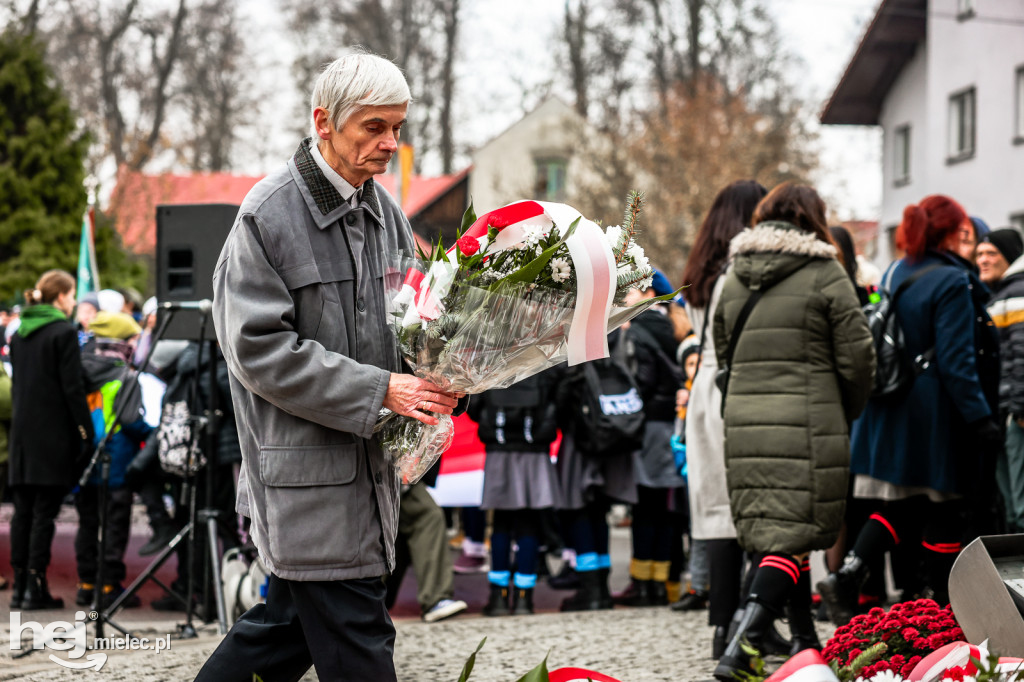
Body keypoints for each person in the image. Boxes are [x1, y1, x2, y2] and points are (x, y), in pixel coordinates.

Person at [197, 51, 460, 682]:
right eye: (374, 126)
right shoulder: (266, 216)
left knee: (283, 635)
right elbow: (258, 351)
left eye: (397, 127)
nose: (390, 142)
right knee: (359, 647)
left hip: (369, 481)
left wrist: (454, 368)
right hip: (305, 485)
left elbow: (411, 326)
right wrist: (382, 392)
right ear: (324, 122)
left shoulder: (386, 213)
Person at [711, 183, 875, 680]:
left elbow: (722, 353)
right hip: (807, 423)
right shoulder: (825, 272)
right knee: (792, 537)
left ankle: (805, 639)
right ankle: (743, 645)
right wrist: (845, 408)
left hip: (744, 422)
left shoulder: (734, 276)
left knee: (780, 533)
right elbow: (859, 357)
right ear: (813, 220)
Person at [819, 195, 1002, 626]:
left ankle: (848, 573)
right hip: (933, 411)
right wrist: (980, 419)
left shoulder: (898, 270)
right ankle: (941, 605)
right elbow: (958, 362)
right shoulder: (953, 281)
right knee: (945, 506)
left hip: (891, 405)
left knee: (901, 503)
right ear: (952, 232)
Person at [680, 179, 767, 658]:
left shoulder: (700, 267)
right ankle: (751, 622)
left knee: (714, 509)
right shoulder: (747, 266)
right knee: (753, 506)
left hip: (703, 394)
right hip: (740, 386)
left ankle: (720, 626)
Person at [8, 270, 95, 610]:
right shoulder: (63, 332)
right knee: (43, 514)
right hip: (52, 435)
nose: (73, 302)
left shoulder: (19, 335)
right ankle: (35, 587)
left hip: (22, 436)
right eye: (72, 295)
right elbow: (72, 388)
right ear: (60, 297)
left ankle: (20, 588)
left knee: (22, 514)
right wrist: (85, 432)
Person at [613, 270, 687, 607]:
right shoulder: (678, 327)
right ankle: (665, 583)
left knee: (645, 506)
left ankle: (643, 585)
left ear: (646, 292)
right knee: (667, 507)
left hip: (648, 429)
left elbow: (637, 381)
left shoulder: (638, 329)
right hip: (674, 426)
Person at [468, 366, 564, 616]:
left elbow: (474, 405)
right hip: (535, 446)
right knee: (529, 523)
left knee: (500, 523)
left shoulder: (493, 360)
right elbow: (560, 398)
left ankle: (498, 598)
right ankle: (524, 599)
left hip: (499, 449)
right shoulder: (545, 357)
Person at [74, 311, 152, 608]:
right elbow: (131, 421)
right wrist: (156, 431)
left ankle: (86, 584)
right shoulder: (125, 375)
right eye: (132, 339)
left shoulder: (78, 369)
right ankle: (109, 587)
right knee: (115, 525)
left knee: (87, 523)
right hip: (117, 461)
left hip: (84, 459)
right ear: (122, 343)